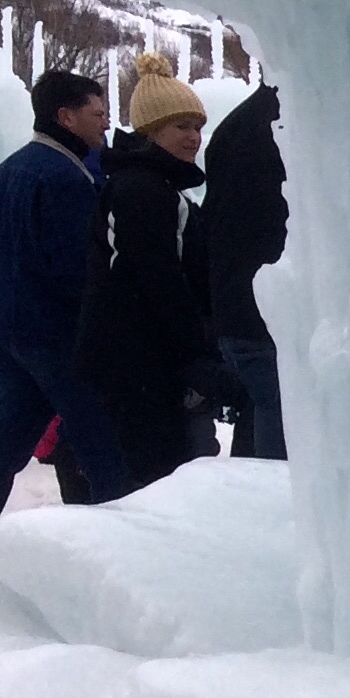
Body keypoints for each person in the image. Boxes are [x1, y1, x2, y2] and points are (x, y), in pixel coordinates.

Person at [0, 68, 130, 546]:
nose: (105, 125)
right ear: (65, 117)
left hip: (5, 331)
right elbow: (75, 268)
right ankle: (130, 548)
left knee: (2, 444)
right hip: (57, 334)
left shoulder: (0, 177)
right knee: (100, 443)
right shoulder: (66, 180)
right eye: (98, 114)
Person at [73, 52, 221, 494]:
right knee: (156, 477)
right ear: (152, 131)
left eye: (197, 127)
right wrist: (195, 352)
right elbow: (156, 280)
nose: (194, 138)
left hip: (140, 358)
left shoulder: (153, 185)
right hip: (136, 363)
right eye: (182, 127)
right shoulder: (141, 189)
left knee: (160, 467)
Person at [185, 79, 288, 458]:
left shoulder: (232, 129)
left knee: (261, 408)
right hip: (269, 309)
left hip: (234, 307)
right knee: (281, 413)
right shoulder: (285, 123)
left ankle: (252, 504)